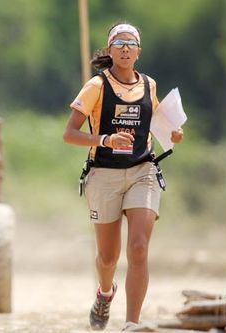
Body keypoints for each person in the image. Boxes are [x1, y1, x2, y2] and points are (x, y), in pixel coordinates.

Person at [63, 23, 184, 331]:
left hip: (143, 171)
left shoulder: (149, 85)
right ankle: (105, 293)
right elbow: (70, 134)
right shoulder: (96, 86)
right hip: (104, 174)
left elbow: (156, 122)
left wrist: (173, 133)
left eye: (132, 43)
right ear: (110, 50)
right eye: (120, 43)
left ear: (139, 51)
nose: (126, 48)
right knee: (107, 257)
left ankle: (132, 323)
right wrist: (105, 140)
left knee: (139, 249)